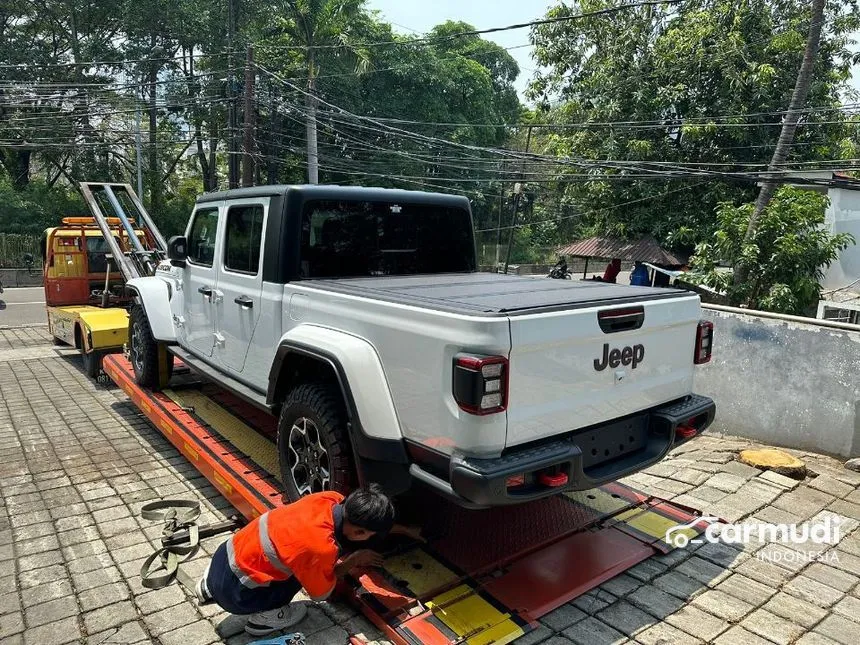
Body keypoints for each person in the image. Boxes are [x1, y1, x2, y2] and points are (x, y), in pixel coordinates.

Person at [195, 485, 422, 636]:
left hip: (222, 561)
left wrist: (403, 530)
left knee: (283, 558)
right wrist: (353, 561)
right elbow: (321, 594)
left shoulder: (329, 499)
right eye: (370, 536)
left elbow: (362, 524)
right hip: (239, 595)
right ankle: (266, 619)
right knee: (299, 576)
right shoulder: (320, 548)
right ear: (361, 533)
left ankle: (208, 587)